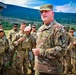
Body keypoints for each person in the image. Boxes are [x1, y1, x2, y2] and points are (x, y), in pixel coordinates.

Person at [32, 4, 67, 75]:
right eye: (41, 12)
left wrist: (41, 52)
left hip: (52, 70)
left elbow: (62, 50)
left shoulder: (58, 28)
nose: (43, 13)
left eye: (46, 11)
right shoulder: (40, 29)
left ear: (52, 13)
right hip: (39, 69)